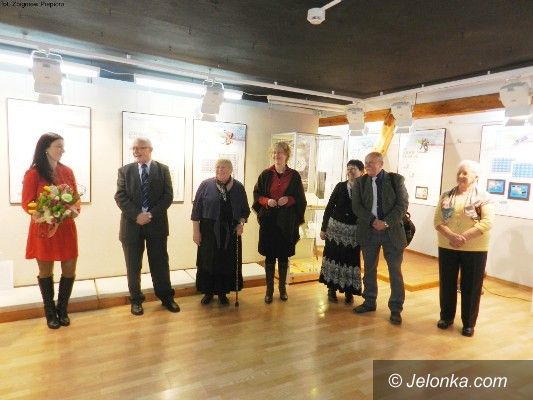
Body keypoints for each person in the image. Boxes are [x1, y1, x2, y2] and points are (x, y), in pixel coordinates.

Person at [21, 132, 80, 329]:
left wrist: (72, 210)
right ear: (46, 148)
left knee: (69, 269)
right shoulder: (33, 173)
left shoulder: (67, 171)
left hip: (66, 228)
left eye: (63, 146)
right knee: (45, 271)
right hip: (44, 230)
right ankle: (50, 312)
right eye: (58, 146)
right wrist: (47, 213)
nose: (63, 150)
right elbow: (27, 203)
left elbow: (75, 198)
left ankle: (62, 310)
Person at [114, 137, 179, 315]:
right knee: (133, 265)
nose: (136, 151)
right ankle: (136, 300)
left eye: (140, 148)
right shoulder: (125, 171)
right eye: (134, 148)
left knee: (160, 263)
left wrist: (149, 214)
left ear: (150, 149)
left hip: (156, 225)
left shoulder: (162, 169)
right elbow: (120, 196)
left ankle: (166, 297)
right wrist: (137, 215)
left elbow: (168, 196)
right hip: (131, 226)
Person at [434, 160, 493, 337]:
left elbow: (487, 222)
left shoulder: (484, 197)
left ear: (476, 176)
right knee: (447, 284)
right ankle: (446, 317)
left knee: (471, 286)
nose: (461, 176)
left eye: (465, 173)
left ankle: (468, 323)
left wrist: (463, 237)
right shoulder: (446, 195)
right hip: (447, 245)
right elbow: (437, 221)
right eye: (459, 172)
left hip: (475, 249)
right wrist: (452, 236)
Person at [351, 151, 409, 325]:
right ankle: (369, 301)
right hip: (369, 231)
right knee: (369, 269)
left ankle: (396, 308)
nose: (367, 165)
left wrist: (386, 222)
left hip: (392, 232)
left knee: (395, 271)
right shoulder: (360, 182)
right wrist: (373, 221)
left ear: (381, 164)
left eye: (371, 162)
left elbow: (402, 205)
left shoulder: (396, 180)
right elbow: (356, 206)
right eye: (366, 162)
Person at [252, 141, 307, 304]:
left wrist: (289, 199)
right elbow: (257, 195)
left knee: (283, 256)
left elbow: (300, 198)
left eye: (280, 153)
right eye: (275, 153)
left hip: (287, 222)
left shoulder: (294, 175)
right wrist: (266, 201)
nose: (277, 155)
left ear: (286, 155)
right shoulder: (265, 174)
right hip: (269, 222)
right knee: (269, 257)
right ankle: (269, 290)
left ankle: (282, 289)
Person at [191, 159, 250, 305]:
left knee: (226, 262)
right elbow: (196, 211)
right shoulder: (206, 185)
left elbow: (245, 210)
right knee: (208, 261)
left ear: (231, 170)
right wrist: (196, 231)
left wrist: (241, 224)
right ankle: (208, 292)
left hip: (231, 231)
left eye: (223, 167)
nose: (220, 170)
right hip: (208, 231)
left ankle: (223, 293)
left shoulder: (238, 187)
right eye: (218, 167)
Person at [319, 159, 364, 304]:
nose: (350, 171)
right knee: (334, 258)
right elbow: (329, 207)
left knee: (350, 260)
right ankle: (331, 289)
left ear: (361, 172)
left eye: (354, 169)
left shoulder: (364, 189)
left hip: (353, 232)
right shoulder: (340, 186)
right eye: (348, 168)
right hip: (335, 231)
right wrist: (323, 228)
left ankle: (349, 291)